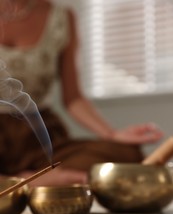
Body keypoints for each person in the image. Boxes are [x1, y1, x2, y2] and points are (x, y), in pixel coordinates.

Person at [0, 0, 163, 186]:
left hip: (39, 138)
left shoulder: (61, 17)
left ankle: (20, 182)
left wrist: (111, 134)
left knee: (127, 155)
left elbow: (73, 98)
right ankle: (33, 182)